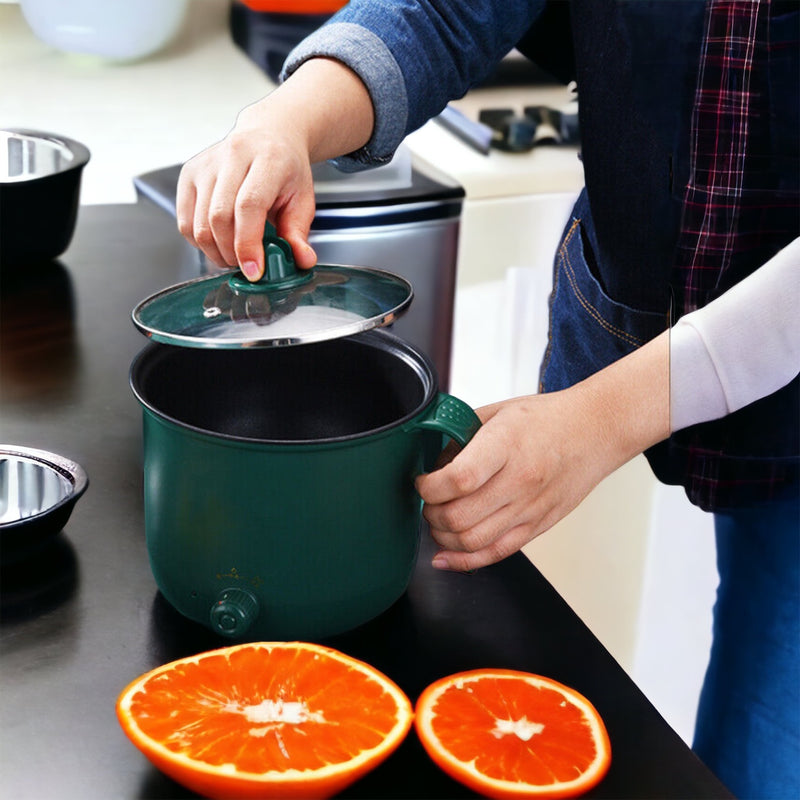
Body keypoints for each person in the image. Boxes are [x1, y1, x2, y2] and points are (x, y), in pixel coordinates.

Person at [175, 2, 799, 796]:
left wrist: (606, 417)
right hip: (639, 316)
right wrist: (286, 121)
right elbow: (444, 10)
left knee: (767, 751)